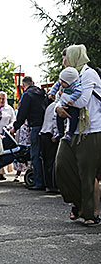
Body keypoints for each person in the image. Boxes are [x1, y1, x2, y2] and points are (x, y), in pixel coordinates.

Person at [55, 44, 101, 226]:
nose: (64, 61)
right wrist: (58, 106)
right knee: (61, 166)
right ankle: (78, 203)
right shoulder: (70, 74)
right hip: (72, 130)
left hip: (91, 130)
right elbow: (58, 96)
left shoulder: (89, 74)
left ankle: (91, 214)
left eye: (65, 57)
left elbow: (82, 100)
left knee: (87, 173)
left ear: (74, 57)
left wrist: (62, 101)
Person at [10, 76, 46, 191]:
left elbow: (22, 113)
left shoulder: (27, 95)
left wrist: (15, 128)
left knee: (35, 154)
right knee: (42, 155)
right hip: (45, 127)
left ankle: (38, 182)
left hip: (35, 126)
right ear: (33, 82)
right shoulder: (41, 93)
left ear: (24, 85)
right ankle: (46, 181)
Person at [48, 67, 82, 142]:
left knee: (74, 118)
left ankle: (70, 133)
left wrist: (72, 99)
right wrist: (51, 93)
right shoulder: (62, 81)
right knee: (58, 117)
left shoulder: (75, 85)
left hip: (72, 106)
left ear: (70, 82)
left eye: (64, 82)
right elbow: (55, 86)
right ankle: (60, 132)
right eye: (61, 81)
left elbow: (79, 92)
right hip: (64, 104)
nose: (61, 83)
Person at [0, 91, 16, 180]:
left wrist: (8, 127)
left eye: (3, 99)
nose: (1, 100)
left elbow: (13, 121)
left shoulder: (9, 109)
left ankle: (1, 173)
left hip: (4, 135)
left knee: (2, 153)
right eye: (0, 98)